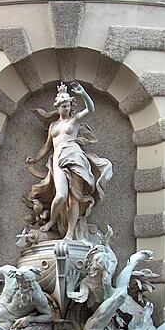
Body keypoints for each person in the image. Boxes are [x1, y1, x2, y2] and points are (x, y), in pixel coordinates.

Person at [25, 81, 112, 240]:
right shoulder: (53, 126)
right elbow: (47, 146)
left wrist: (83, 93)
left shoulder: (75, 121)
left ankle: (70, 233)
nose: (65, 108)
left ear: (71, 106)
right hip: (58, 159)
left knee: (75, 197)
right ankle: (52, 221)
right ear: (57, 106)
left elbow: (90, 109)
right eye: (62, 105)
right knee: (61, 196)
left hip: (74, 157)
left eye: (67, 105)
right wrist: (35, 159)